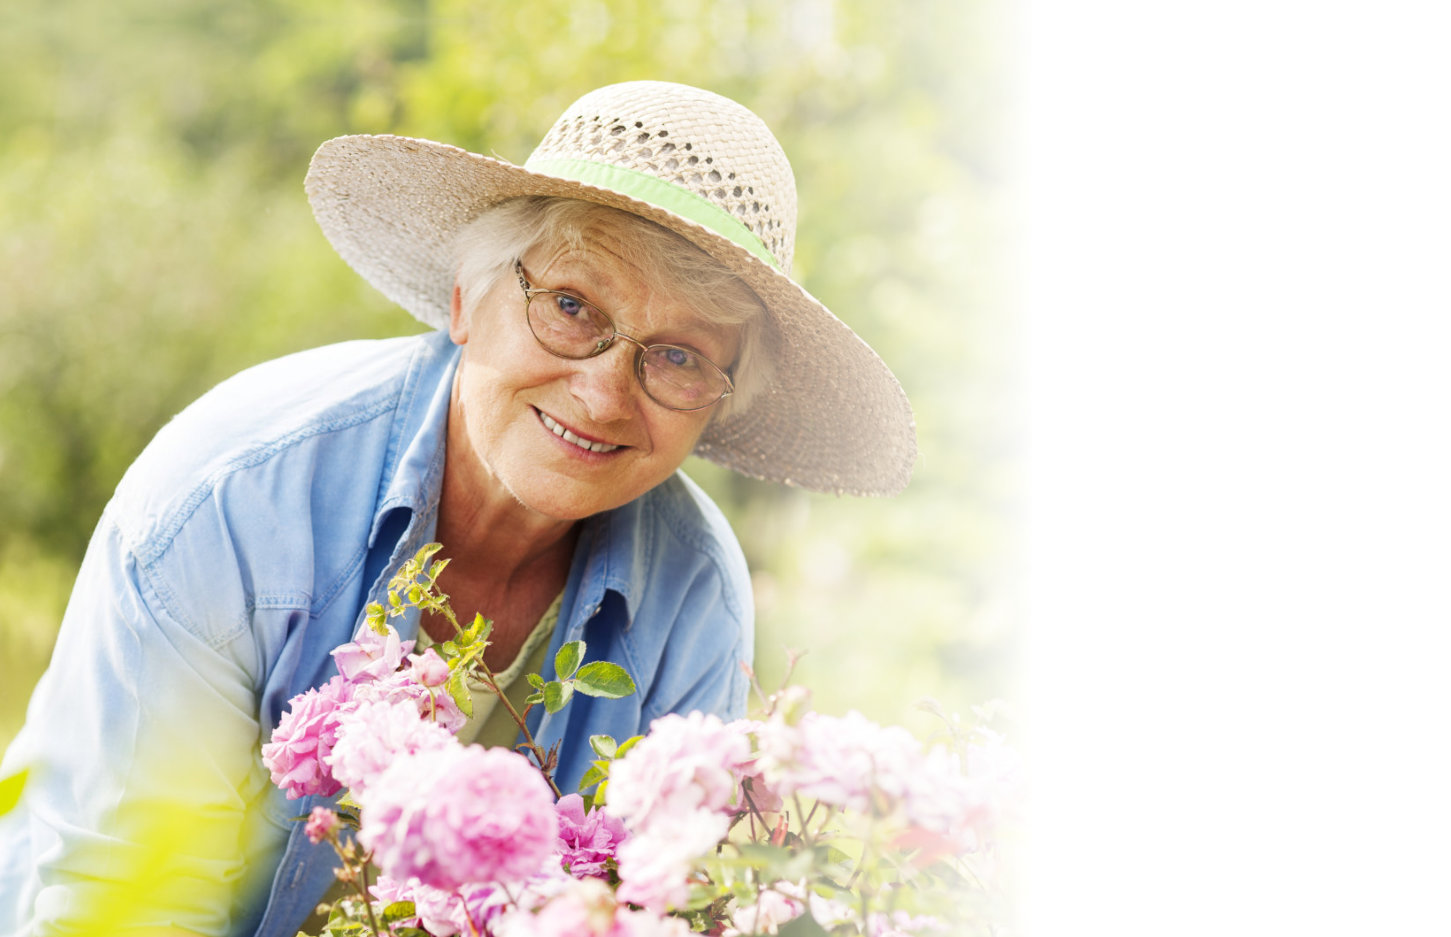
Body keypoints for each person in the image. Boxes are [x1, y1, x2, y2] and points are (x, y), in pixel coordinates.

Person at [0, 81, 914, 936]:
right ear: (466, 300)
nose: (602, 396)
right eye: (569, 304)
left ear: (719, 401)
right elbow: (122, 906)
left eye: (677, 357)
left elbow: (652, 907)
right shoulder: (234, 499)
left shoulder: (696, 597)